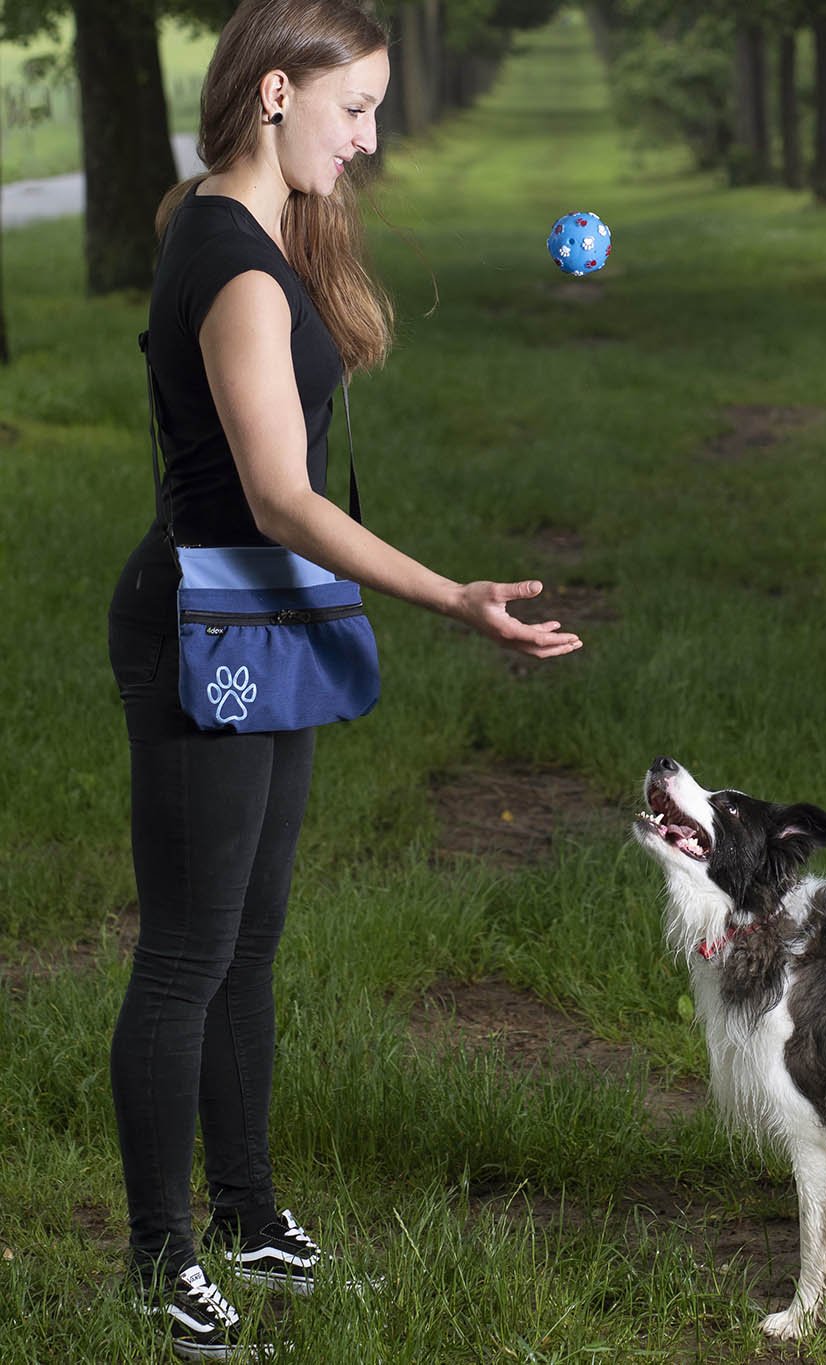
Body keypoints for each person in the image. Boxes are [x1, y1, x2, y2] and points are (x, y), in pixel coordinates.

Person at [106, 1, 582, 1357]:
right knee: (190, 952)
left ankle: (250, 1216)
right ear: (272, 94)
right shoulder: (238, 265)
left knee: (248, 943)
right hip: (208, 624)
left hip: (269, 623)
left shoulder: (234, 222)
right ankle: (158, 1258)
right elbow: (282, 495)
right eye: (354, 108)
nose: (367, 141)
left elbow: (195, 228)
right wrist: (452, 595)